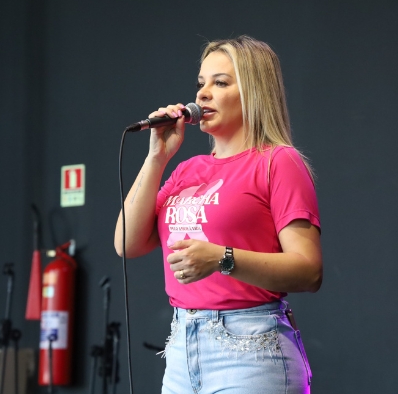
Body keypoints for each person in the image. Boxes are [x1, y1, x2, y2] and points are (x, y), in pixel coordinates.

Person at [114, 35, 322, 394]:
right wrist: (157, 158)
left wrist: (221, 258)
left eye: (220, 83)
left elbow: (309, 270)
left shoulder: (278, 161)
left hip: (251, 350)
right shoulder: (187, 171)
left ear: (254, 93)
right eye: (200, 84)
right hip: (182, 350)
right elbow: (126, 243)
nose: (202, 94)